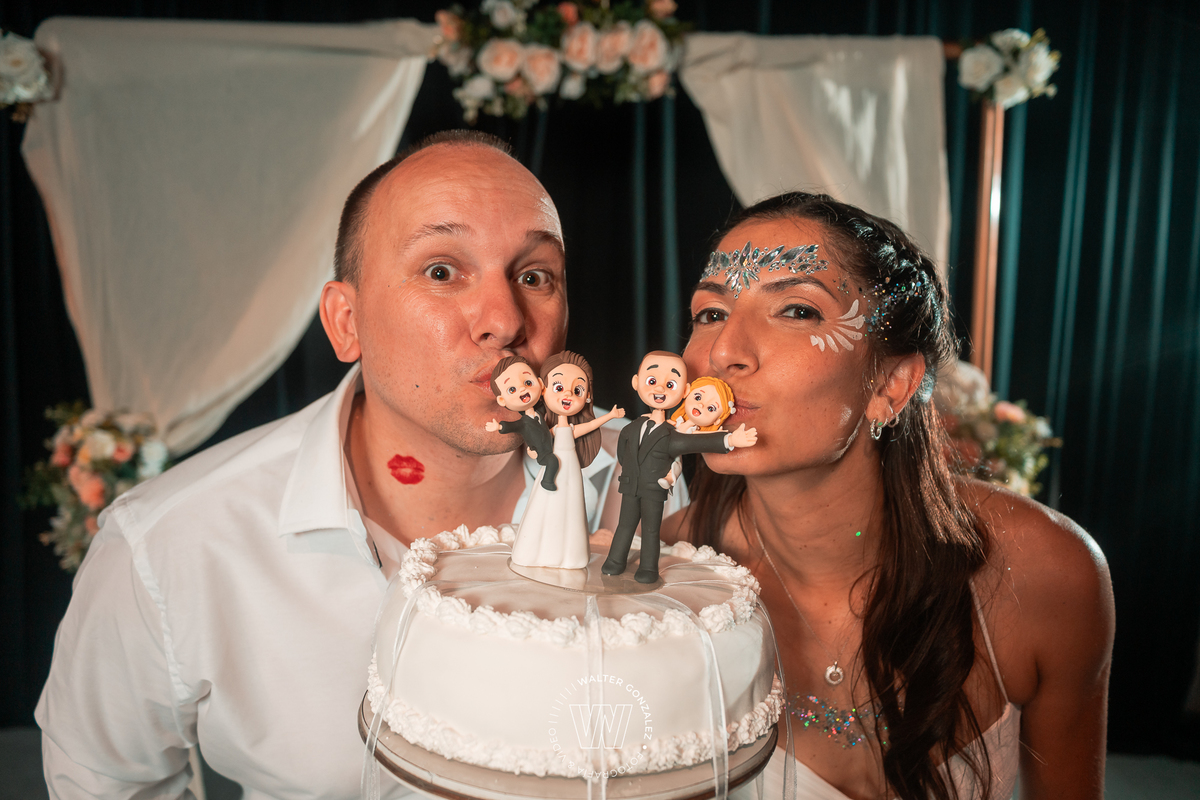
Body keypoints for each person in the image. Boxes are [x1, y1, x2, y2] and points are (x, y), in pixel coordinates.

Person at [34, 131, 627, 799]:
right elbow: (106, 781)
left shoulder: (637, 481)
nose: (505, 320)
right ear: (347, 322)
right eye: (441, 271)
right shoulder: (169, 544)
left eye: (534, 276)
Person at [666, 192, 1114, 800]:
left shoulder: (1047, 572)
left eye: (796, 310)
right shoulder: (662, 576)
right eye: (711, 313)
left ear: (892, 384)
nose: (722, 352)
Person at [602, 352, 757, 583]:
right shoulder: (631, 428)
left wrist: (730, 440)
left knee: (650, 531)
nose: (660, 388)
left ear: (684, 391)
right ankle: (615, 561)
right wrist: (630, 473)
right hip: (630, 485)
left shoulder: (671, 435)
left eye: (670, 384)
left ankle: (648, 568)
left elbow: (697, 442)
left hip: (653, 490)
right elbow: (623, 453)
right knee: (624, 526)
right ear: (636, 382)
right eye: (652, 381)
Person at [507, 350, 624, 569]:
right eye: (559, 387)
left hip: (571, 470)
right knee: (545, 505)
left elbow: (589, 426)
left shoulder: (572, 429)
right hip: (553, 468)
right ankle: (534, 552)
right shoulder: (546, 428)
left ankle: (571, 555)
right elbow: (538, 441)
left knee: (571, 507)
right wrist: (534, 450)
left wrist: (610, 416)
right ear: (543, 389)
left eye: (577, 390)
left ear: (587, 396)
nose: (568, 394)